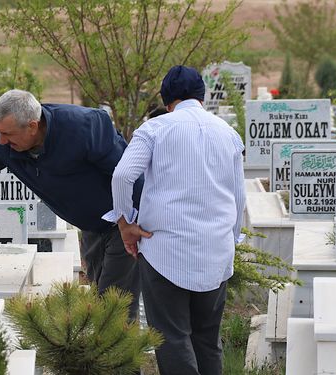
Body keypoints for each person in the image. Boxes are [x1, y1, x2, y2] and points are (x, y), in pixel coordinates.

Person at [0, 89, 145, 319]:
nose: (1, 141)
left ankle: (119, 355)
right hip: (90, 227)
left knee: (114, 308)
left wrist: (130, 222)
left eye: (7, 134)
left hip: (121, 223)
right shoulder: (4, 146)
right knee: (101, 300)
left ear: (32, 126)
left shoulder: (85, 127)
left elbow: (128, 175)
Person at [104, 66, 246, 375]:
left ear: (167, 100)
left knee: (172, 337)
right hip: (216, 250)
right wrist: (231, 240)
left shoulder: (155, 129)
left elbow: (123, 175)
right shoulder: (229, 134)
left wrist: (125, 224)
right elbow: (238, 198)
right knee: (207, 339)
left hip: (164, 250)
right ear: (201, 96)